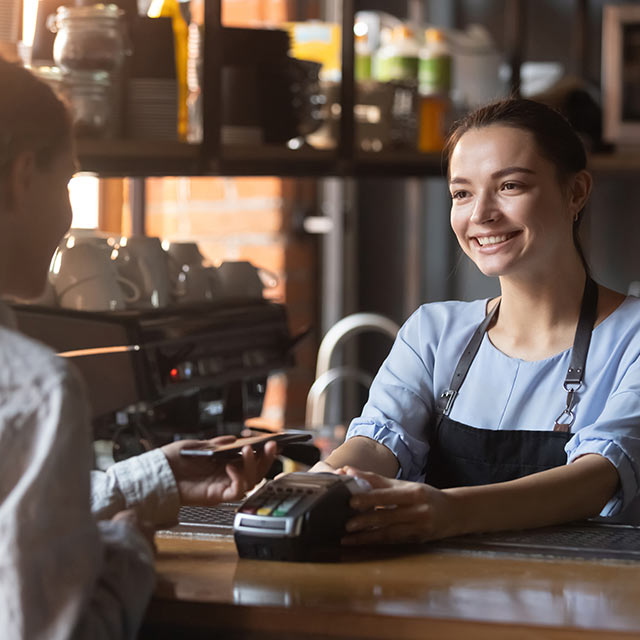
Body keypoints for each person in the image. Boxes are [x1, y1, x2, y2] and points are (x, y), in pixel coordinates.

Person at [0, 58, 277, 639]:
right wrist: (129, 550)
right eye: (68, 182)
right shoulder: (34, 388)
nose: (69, 214)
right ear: (24, 176)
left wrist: (155, 480)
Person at [314, 98, 640, 545]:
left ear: (576, 192)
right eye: (462, 193)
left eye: (510, 186)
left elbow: (596, 478)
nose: (480, 214)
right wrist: (314, 486)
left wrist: (451, 511)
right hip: (444, 598)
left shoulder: (632, 338)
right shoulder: (432, 332)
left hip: (582, 600)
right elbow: (377, 444)